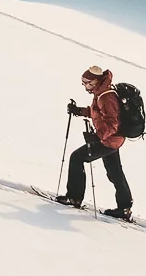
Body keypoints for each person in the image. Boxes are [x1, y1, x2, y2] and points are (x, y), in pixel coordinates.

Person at [57, 66, 133, 220]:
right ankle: (124, 209)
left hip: (108, 140)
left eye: (87, 83)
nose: (85, 86)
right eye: (83, 83)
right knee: (115, 173)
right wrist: (78, 111)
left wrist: (97, 136)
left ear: (96, 81)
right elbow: (97, 113)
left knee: (77, 158)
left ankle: (74, 198)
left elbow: (112, 123)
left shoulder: (106, 96)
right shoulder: (101, 92)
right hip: (113, 140)